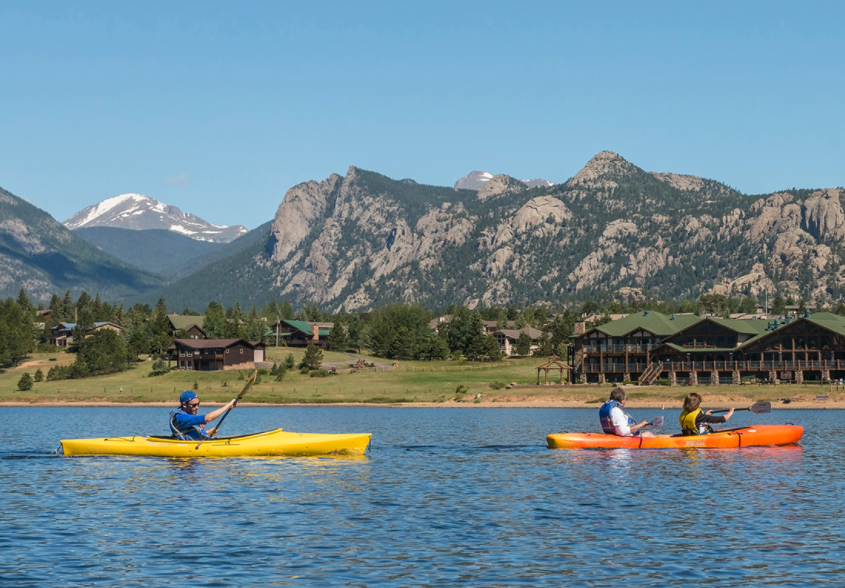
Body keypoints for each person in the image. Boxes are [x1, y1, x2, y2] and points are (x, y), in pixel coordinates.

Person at [169, 390, 238, 440]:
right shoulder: (181, 418)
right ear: (184, 405)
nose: (197, 407)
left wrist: (208, 432)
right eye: (194, 405)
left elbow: (190, 432)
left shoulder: (188, 415)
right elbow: (208, 418)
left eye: (198, 404)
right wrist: (228, 405)